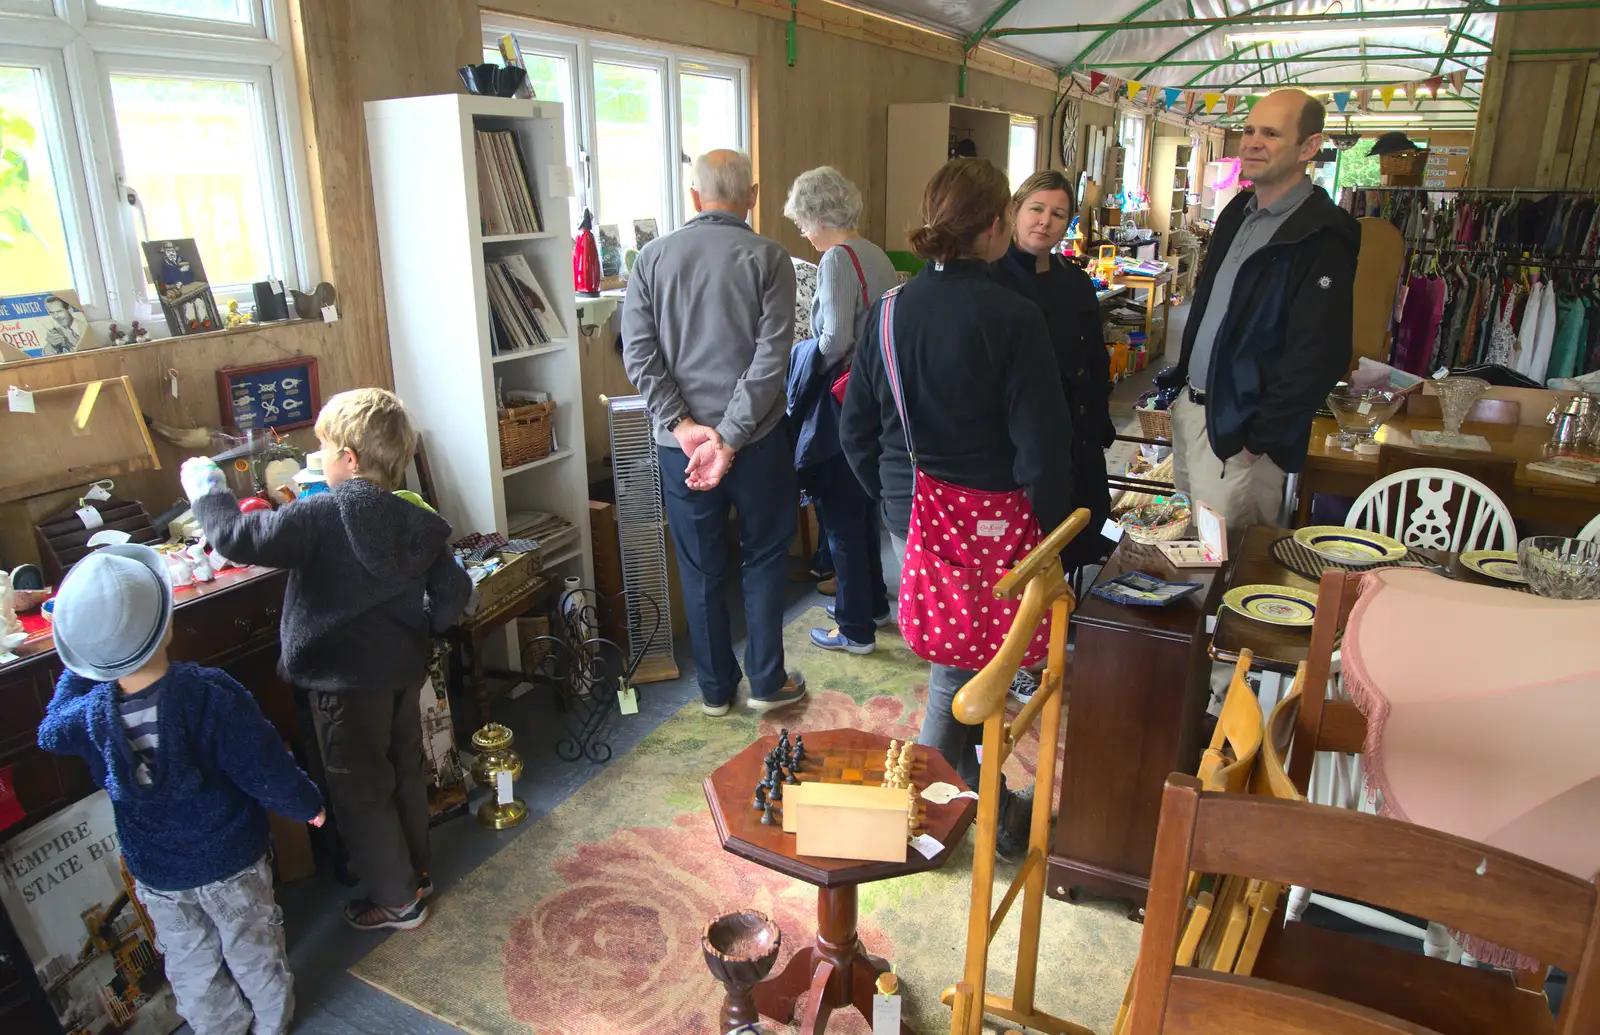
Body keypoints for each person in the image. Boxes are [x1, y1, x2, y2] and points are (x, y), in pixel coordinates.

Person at [840, 157, 1072, 852]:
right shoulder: (1016, 317)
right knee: (962, 671)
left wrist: (892, 499)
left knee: (961, 661)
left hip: (912, 506)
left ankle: (976, 806)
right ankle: (924, 818)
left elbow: (855, 428)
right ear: (996, 228)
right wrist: (1054, 536)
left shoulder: (887, 314)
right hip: (999, 522)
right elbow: (1040, 450)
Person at [181, 387, 472, 933]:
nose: (319, 461)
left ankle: (397, 899)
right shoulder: (415, 517)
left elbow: (238, 538)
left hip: (342, 683)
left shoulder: (318, 516)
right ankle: (415, 873)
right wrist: (421, 628)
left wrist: (207, 491)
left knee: (360, 790)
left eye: (324, 451)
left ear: (350, 458)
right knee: (403, 772)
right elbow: (455, 591)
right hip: (401, 672)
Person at [38, 544, 326, 1035]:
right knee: (254, 948)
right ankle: (272, 1024)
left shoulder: (86, 717)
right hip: (230, 860)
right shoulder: (209, 693)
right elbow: (261, 763)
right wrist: (305, 804)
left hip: (160, 874)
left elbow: (49, 728)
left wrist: (82, 664)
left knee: (191, 968)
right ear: (168, 625)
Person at [622, 149, 807, 716]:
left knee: (701, 565)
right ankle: (766, 683)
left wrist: (683, 427)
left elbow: (638, 354)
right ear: (751, 196)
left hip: (680, 450)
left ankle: (713, 690)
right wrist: (727, 438)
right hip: (755, 442)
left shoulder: (650, 258)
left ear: (696, 198)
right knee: (766, 555)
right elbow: (770, 359)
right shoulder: (771, 258)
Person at [1156, 89, 1360, 529]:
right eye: (1249, 130)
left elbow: (1317, 356)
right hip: (1195, 411)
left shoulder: (1321, 235)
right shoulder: (1237, 213)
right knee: (1193, 554)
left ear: (1309, 147)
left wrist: (1256, 440)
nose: (1252, 142)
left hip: (1241, 435)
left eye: (1270, 133)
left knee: (1231, 570)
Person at [783, 166, 899, 655]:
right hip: (874, 399)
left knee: (840, 517)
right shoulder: (873, 252)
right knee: (862, 506)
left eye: (803, 224)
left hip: (841, 401)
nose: (804, 234)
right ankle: (871, 603)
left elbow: (834, 341)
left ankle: (854, 629)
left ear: (816, 214)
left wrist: (795, 357)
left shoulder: (835, 259)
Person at [993, 170, 1116, 571]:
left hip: (1078, 432)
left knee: (1080, 529)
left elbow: (1096, 359)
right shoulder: (993, 281)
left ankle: (1064, 614)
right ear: (1014, 211)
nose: (1045, 221)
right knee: (1027, 543)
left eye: (1059, 214)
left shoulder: (1075, 281)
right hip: (1021, 442)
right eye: (1036, 209)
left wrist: (1098, 418)